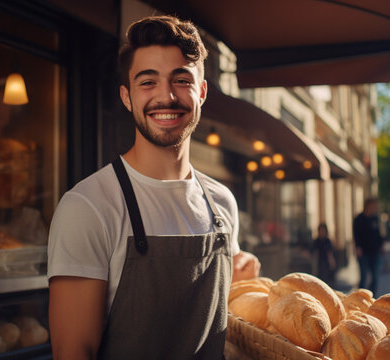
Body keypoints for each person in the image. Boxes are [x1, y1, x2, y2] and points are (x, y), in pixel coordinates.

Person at [47, 15, 260, 359]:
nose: (166, 96)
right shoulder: (87, 208)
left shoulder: (223, 203)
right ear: (127, 96)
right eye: (147, 82)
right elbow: (73, 352)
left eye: (181, 79)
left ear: (201, 92)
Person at [353, 198, 384, 294]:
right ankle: (360, 297)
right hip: (363, 253)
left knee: (375, 276)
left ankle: (372, 297)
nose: (375, 208)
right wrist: (358, 247)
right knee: (363, 277)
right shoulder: (359, 219)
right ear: (367, 206)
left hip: (375, 252)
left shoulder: (376, 219)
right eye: (373, 206)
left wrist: (382, 246)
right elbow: (356, 234)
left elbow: (380, 234)